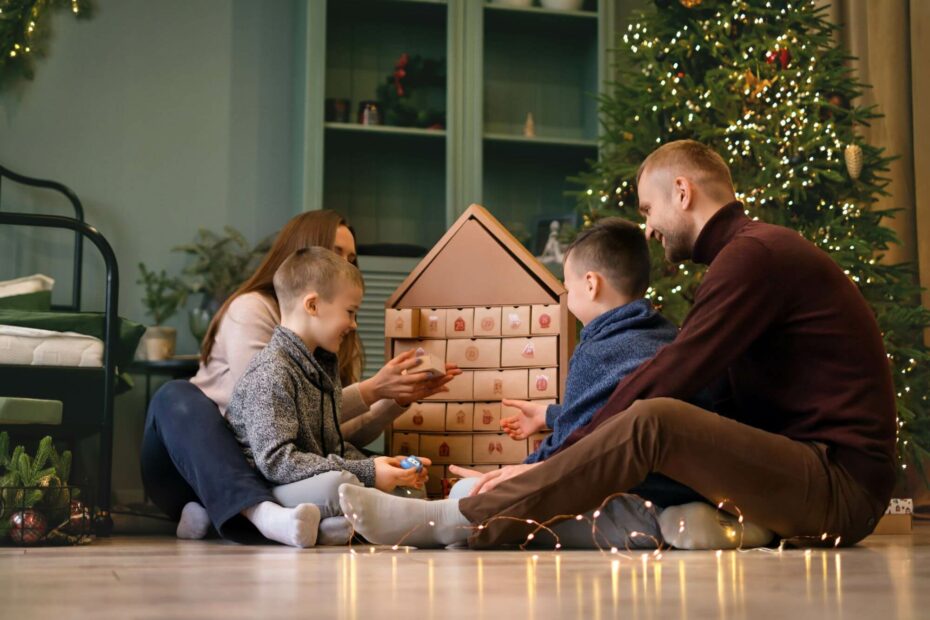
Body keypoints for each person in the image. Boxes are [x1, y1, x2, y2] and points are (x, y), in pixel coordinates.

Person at [337, 139, 896, 550]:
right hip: (804, 473)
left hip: (837, 488)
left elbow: (671, 375)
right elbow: (714, 394)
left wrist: (553, 457)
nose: (648, 230)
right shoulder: (751, 256)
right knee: (655, 419)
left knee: (656, 418)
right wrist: (562, 434)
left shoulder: (754, 257)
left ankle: (454, 521)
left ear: (683, 192)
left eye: (649, 210)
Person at [141, 210, 458, 547]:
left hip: (287, 462)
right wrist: (370, 392)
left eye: (352, 258)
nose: (347, 266)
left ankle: (300, 523)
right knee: (175, 395)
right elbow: (270, 430)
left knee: (370, 472)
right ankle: (260, 515)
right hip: (214, 465)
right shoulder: (259, 323)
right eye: (336, 254)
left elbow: (328, 435)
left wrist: (396, 400)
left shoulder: (325, 343)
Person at [225, 247, 432, 547]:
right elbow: (277, 462)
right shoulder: (271, 372)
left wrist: (384, 465)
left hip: (308, 481)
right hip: (272, 485)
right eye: (350, 312)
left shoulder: (320, 367)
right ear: (312, 305)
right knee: (341, 485)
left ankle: (335, 527)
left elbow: (330, 448)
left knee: (404, 487)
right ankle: (345, 523)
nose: (354, 324)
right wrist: (369, 472)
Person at [499, 217, 679, 464]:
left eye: (568, 288)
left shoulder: (596, 353)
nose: (568, 297)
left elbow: (566, 447)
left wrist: (502, 484)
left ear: (591, 284)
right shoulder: (668, 334)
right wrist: (550, 415)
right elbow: (610, 412)